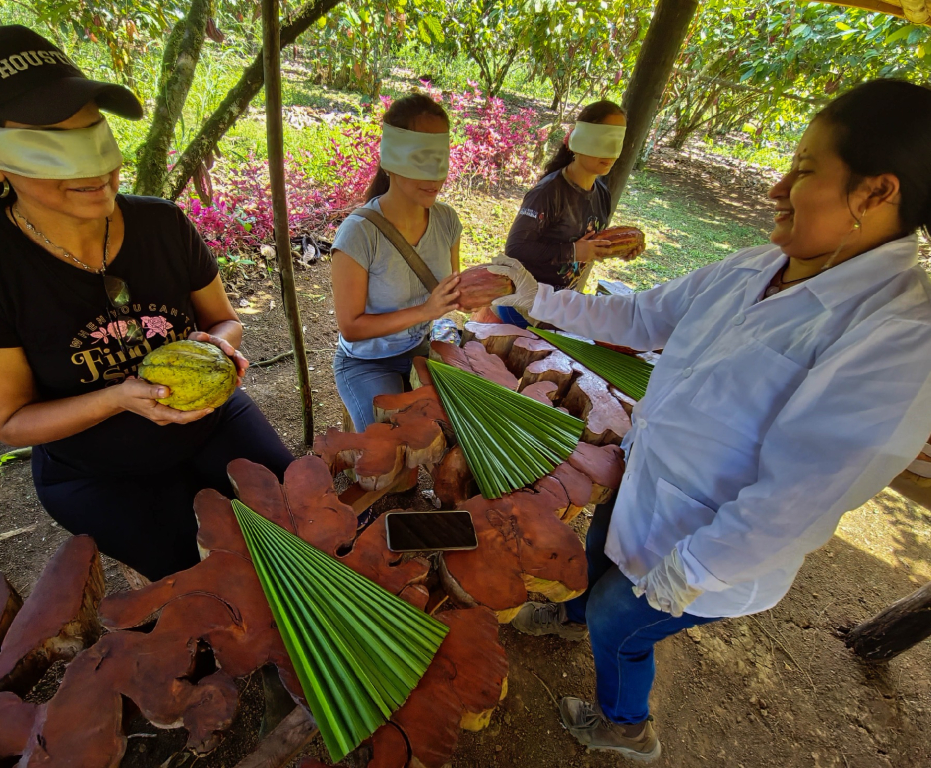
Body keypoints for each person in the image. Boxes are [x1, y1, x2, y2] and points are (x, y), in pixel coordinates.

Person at [489, 79, 931, 762]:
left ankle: (625, 724)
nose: (777, 188)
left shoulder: (896, 338)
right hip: (646, 481)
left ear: (876, 194)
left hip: (709, 548)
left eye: (807, 171)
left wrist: (692, 568)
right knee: (597, 561)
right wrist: (539, 300)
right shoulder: (761, 266)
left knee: (620, 622)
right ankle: (574, 615)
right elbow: (639, 318)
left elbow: (798, 496)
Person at [0, 26, 294, 583]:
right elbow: (10, 421)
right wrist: (122, 397)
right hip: (97, 470)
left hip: (213, 423)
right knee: (200, 580)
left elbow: (223, 319)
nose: (94, 168)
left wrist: (216, 347)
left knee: (297, 525)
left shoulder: (161, 224)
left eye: (93, 131)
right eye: (50, 143)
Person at [331, 94, 462, 431]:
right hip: (367, 362)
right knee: (391, 446)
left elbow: (452, 288)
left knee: (463, 429)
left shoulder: (447, 220)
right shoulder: (358, 234)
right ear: (390, 159)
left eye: (440, 159)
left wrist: (496, 286)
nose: (434, 176)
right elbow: (351, 327)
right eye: (420, 158)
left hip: (420, 348)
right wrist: (425, 312)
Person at [497, 101, 643, 327]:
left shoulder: (601, 194)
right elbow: (515, 248)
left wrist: (619, 248)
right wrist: (573, 251)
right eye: (603, 139)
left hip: (558, 307)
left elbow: (586, 244)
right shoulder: (548, 193)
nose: (610, 152)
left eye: (617, 141)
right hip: (523, 308)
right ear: (579, 140)